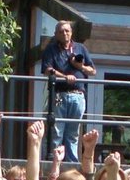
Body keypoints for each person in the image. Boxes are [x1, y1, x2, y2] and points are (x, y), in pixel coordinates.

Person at [40, 20, 95, 162]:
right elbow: (47, 69)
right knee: (56, 132)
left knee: (73, 133)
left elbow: (93, 71)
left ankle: (72, 165)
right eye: (61, 31)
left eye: (67, 31)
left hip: (78, 96)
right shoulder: (51, 49)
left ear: (71, 33)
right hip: (59, 95)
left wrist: (80, 66)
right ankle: (52, 163)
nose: (64, 33)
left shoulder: (80, 48)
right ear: (56, 34)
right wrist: (65, 77)